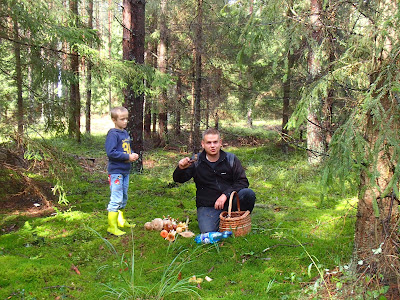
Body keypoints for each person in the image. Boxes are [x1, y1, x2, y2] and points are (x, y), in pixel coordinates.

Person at [173, 128, 256, 233]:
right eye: (209, 142)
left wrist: (226, 195)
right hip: (208, 205)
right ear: (203, 144)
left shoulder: (230, 159)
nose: (212, 146)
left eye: (215, 142)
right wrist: (180, 168)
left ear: (220, 143)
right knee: (208, 232)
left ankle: (239, 220)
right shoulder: (196, 161)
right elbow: (178, 179)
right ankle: (218, 220)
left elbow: (243, 181)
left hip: (230, 201)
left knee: (248, 194)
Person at [105, 106, 139, 236]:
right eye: (122, 119)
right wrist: (127, 157)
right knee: (116, 198)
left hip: (125, 170)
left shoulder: (124, 133)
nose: (125, 122)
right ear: (114, 120)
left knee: (124, 196)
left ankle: (121, 221)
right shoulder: (113, 134)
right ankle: (111, 226)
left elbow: (125, 149)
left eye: (127, 119)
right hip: (116, 172)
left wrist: (132, 154)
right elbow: (111, 153)